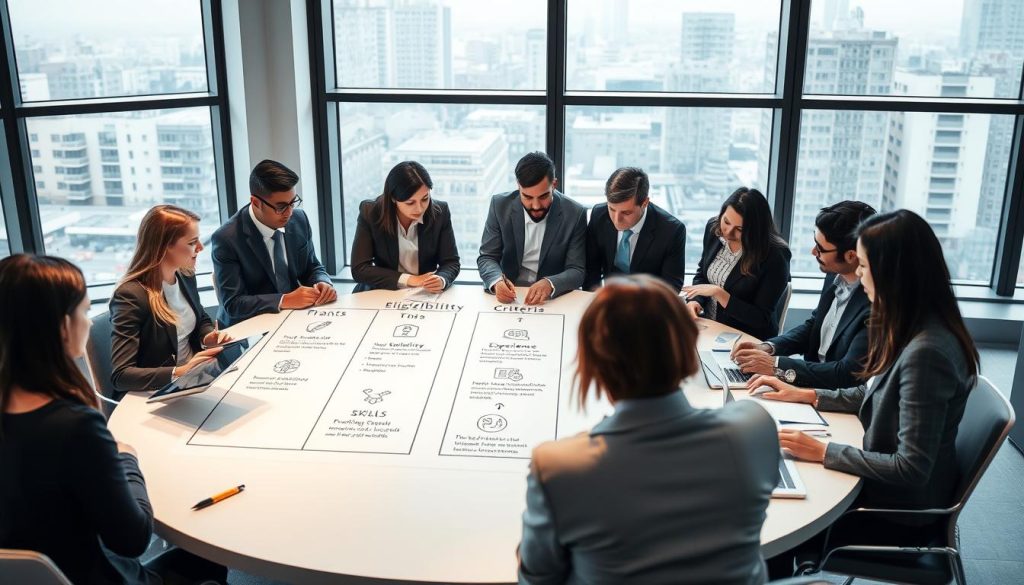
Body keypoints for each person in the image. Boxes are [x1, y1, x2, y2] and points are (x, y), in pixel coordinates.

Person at [518, 274, 779, 585]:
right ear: (686, 349)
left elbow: (538, 577)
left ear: (595, 365)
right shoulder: (754, 428)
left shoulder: (558, 467)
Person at [0, 255, 225, 585]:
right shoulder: (75, 426)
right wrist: (125, 457)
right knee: (209, 562)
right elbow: (133, 540)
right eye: (84, 311)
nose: (89, 323)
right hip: (98, 575)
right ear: (63, 326)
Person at [749, 209, 977, 514]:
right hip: (875, 469)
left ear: (890, 275)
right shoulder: (912, 325)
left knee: (774, 502)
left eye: (865, 266)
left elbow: (911, 468)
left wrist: (824, 451)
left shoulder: (927, 353)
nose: (859, 275)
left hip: (894, 508)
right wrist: (808, 395)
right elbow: (874, 392)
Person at [732, 201, 875, 389]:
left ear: (850, 256)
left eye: (821, 248)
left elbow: (847, 374)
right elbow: (813, 327)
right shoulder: (834, 273)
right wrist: (768, 348)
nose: (813, 251)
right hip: (806, 385)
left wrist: (776, 366)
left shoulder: (875, 303)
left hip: (831, 396)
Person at [110, 205, 232, 395]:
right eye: (192, 242)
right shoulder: (131, 295)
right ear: (164, 246)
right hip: (157, 392)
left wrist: (208, 336)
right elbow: (121, 375)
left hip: (196, 381)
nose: (200, 247)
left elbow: (200, 318)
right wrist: (179, 372)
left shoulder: (185, 275)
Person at [212, 159, 336, 326]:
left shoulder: (299, 219)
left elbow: (312, 266)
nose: (290, 213)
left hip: (293, 318)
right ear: (256, 202)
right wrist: (284, 300)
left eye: (293, 202)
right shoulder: (227, 239)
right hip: (249, 325)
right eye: (281, 207)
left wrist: (322, 282)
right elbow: (233, 304)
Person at [477, 152, 587, 305]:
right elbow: (487, 257)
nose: (536, 206)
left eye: (543, 197)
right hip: (510, 294)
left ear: (554, 185)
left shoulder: (575, 213)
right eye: (527, 197)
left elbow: (577, 270)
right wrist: (496, 282)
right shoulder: (499, 206)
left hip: (551, 299)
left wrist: (550, 283)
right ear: (518, 186)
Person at [683, 187, 792, 341]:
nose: (728, 232)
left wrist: (719, 294)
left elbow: (760, 318)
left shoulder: (776, 256)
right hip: (708, 327)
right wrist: (696, 301)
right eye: (726, 221)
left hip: (745, 338)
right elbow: (703, 273)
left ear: (755, 230)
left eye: (740, 229)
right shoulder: (713, 228)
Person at [351, 161, 460, 292]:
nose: (419, 209)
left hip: (424, 293)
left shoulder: (440, 212)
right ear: (393, 198)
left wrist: (441, 279)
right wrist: (410, 279)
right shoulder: (371, 212)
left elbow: (451, 262)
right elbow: (359, 269)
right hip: (383, 291)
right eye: (410, 202)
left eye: (425, 199)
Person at [583, 166, 686, 291]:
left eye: (626, 213)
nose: (616, 219)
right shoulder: (599, 214)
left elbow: (671, 286)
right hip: (608, 297)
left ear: (644, 203)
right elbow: (591, 270)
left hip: (650, 301)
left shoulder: (671, 230)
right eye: (612, 209)